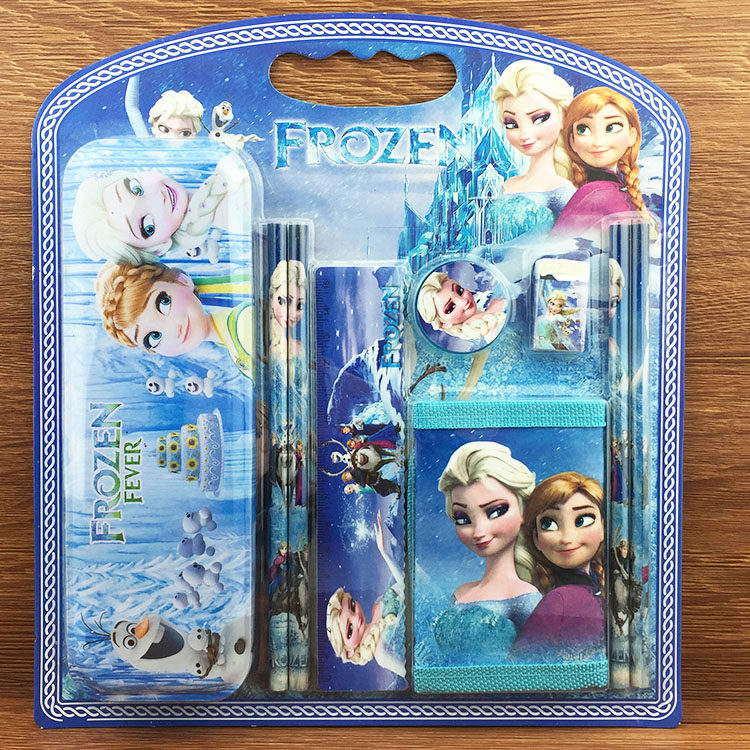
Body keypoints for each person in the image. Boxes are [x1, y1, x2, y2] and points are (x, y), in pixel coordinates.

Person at [432, 442, 541, 663]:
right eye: (463, 519)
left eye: (496, 511)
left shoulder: (525, 599)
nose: (478, 532)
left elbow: (537, 665)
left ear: (524, 509)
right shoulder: (460, 593)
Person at [72, 153, 248, 264]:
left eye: (136, 188)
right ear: (159, 248)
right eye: (148, 226)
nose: (158, 198)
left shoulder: (224, 170)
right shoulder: (234, 214)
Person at [95, 262, 254, 378]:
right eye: (153, 337)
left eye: (164, 303)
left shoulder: (245, 326)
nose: (174, 331)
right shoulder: (231, 336)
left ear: (182, 280)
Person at [512, 471, 606, 660]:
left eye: (583, 520)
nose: (566, 539)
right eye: (549, 524)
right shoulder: (560, 600)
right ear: (536, 538)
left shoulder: (598, 588)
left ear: (604, 526)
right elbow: (522, 665)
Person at [485, 60, 576, 243]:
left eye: (539, 118)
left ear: (564, 117)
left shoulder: (562, 192)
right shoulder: (508, 185)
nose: (524, 135)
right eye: (511, 124)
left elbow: (571, 247)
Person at [553, 87, 654, 237]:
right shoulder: (596, 193)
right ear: (572, 141)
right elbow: (557, 246)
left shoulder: (616, 190)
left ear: (632, 135)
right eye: (583, 129)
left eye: (612, 127)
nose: (598, 142)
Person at [326, 512, 405, 678]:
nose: (356, 618)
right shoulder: (382, 655)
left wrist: (384, 552)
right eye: (349, 630)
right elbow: (412, 675)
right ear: (349, 651)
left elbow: (404, 584)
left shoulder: (378, 605)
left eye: (352, 606)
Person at [416, 272, 506, 342]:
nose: (464, 301)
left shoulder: (494, 301)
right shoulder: (491, 334)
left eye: (460, 291)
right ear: (444, 324)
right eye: (451, 307)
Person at [269, 260, 307, 358]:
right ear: (272, 299)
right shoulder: (270, 349)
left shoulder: (299, 347)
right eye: (283, 301)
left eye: (300, 306)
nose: (293, 314)